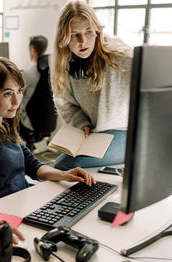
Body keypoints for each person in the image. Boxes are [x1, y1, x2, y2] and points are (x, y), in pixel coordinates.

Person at [0, 56, 95, 245]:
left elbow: (31, 164)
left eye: (19, 91)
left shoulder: (3, 123)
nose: (16, 101)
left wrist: (63, 174)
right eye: (7, 94)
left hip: (21, 205)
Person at [51, 0, 133, 170]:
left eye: (88, 32)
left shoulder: (122, 59)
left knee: (64, 165)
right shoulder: (63, 65)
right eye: (75, 35)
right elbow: (66, 104)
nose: (83, 41)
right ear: (64, 37)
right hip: (95, 135)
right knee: (61, 166)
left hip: (125, 133)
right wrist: (81, 123)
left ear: (97, 31)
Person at [19, 35, 49, 145]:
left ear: (32, 50)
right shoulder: (53, 72)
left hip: (29, 123)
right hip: (48, 121)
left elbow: (18, 97)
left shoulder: (27, 74)